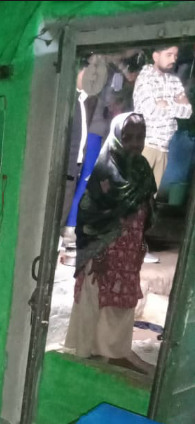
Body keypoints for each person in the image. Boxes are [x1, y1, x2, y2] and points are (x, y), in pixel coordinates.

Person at [65, 113, 156, 375]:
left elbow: (146, 209)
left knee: (122, 301)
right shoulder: (106, 170)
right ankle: (93, 351)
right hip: (102, 250)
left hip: (128, 249)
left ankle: (116, 352)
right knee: (98, 296)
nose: (135, 143)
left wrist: (140, 242)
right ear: (117, 137)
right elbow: (89, 215)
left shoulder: (141, 169)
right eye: (128, 137)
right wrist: (98, 253)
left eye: (140, 137)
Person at [133, 45, 192, 191]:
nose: (173, 59)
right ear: (156, 56)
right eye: (169, 55)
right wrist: (176, 105)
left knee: (150, 197)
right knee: (135, 195)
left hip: (164, 147)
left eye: (175, 55)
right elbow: (150, 110)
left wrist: (165, 105)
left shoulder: (174, 81)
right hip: (145, 145)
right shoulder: (145, 78)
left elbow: (187, 111)